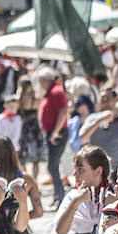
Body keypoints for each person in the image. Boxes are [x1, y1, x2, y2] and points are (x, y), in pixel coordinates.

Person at [79, 89, 118, 172]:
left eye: (108, 98)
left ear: (116, 99)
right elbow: (82, 137)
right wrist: (100, 119)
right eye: (102, 99)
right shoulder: (92, 119)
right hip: (96, 171)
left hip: (117, 172)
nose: (105, 102)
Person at [35, 68, 69, 206]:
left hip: (57, 133)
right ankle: (58, 196)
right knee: (52, 166)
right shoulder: (51, 92)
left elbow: (62, 112)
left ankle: (61, 197)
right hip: (52, 133)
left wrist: (55, 131)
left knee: (52, 166)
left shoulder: (56, 91)